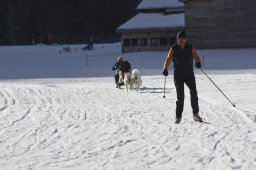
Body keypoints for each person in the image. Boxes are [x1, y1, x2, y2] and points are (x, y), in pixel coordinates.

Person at [162, 30, 203, 124]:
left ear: (185, 39)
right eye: (179, 39)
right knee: (180, 96)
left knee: (194, 93)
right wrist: (165, 68)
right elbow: (168, 59)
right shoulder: (173, 48)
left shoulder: (190, 47)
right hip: (178, 75)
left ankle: (195, 114)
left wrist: (198, 63)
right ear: (177, 39)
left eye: (182, 39)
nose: (181, 41)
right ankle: (178, 117)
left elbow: (196, 56)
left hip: (189, 74)